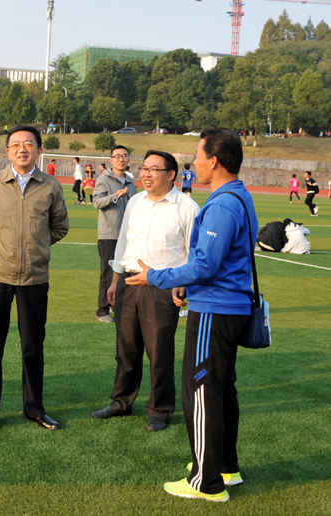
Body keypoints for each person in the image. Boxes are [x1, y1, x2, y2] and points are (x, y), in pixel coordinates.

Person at [125, 127, 257, 502]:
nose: (193, 163)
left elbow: (205, 265)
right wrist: (186, 285)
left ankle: (206, 482)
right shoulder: (240, 196)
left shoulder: (222, 204)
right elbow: (217, 263)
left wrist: (157, 277)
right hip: (227, 305)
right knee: (221, 389)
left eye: (197, 156)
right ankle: (224, 467)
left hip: (215, 310)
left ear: (213, 161)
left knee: (200, 393)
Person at [0, 125, 69, 435]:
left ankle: (35, 409)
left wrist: (36, 246)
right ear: (8, 151)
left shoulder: (51, 186)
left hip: (34, 278)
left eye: (28, 144)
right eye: (15, 145)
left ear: (39, 150)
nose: (22, 149)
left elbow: (60, 226)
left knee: (33, 347)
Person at [91, 150, 200, 432]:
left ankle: (160, 409)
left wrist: (183, 284)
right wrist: (115, 280)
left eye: (154, 169)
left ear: (171, 174)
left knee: (159, 352)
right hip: (128, 283)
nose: (146, 174)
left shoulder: (187, 208)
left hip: (162, 287)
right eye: (144, 168)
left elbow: (194, 253)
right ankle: (121, 402)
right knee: (126, 349)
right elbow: (123, 243)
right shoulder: (135, 201)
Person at [92, 145, 137, 323]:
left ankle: (117, 306)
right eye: (117, 156)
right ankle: (102, 310)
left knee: (125, 271)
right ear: (111, 160)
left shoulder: (130, 181)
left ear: (128, 159)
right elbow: (96, 202)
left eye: (124, 156)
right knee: (108, 273)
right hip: (109, 233)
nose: (121, 159)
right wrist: (114, 196)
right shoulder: (104, 179)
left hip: (128, 235)